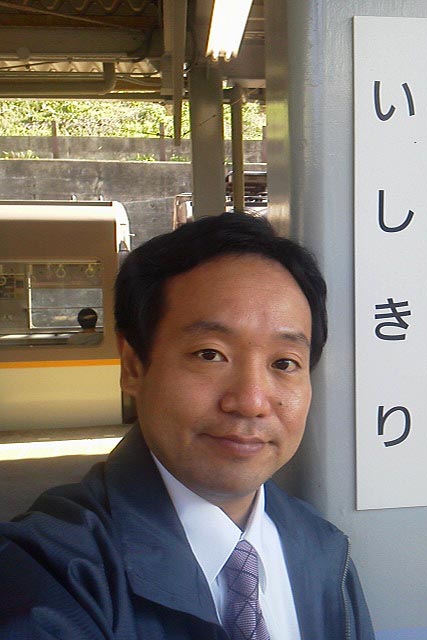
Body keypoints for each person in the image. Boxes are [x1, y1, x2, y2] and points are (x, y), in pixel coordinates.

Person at [0, 212, 375, 639]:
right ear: (133, 367)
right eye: (209, 354)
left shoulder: (324, 551)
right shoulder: (46, 574)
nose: (251, 402)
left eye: (284, 363)